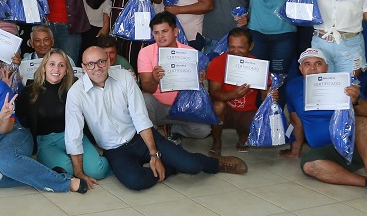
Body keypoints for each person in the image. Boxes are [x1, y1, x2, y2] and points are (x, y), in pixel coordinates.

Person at [66, 46, 247, 191]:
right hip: (114, 149)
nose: (96, 68)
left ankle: (215, 163)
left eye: (100, 62)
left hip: (140, 137)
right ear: (83, 67)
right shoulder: (76, 93)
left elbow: (140, 116)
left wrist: (154, 153)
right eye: (90, 64)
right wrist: (79, 172)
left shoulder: (123, 77)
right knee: (136, 182)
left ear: (107, 61)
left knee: (191, 165)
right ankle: (172, 167)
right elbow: (73, 134)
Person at [0, 43, 90, 193]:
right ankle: (49, 175)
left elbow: (4, 130)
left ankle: (64, 183)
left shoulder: (0, 88)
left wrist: (3, 117)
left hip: (12, 135)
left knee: (7, 163)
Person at [281, 48, 367, 207]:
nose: (313, 68)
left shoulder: (342, 82)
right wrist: (295, 151)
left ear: (326, 67)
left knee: (362, 121)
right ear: (300, 69)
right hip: (327, 152)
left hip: (358, 148)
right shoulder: (293, 87)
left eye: (318, 63)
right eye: (307, 64)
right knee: (309, 166)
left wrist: (356, 101)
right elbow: (296, 121)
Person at [17, 49, 111, 179]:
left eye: (61, 65)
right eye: (52, 64)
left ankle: (111, 158)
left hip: (74, 136)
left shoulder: (75, 87)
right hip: (46, 142)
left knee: (97, 172)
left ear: (66, 70)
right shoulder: (30, 89)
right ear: (44, 67)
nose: (56, 69)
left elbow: (99, 81)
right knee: (67, 170)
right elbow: (20, 116)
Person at [136, 12, 212, 140]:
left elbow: (197, 88)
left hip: (183, 107)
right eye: (156, 33)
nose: (160, 36)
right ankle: (153, 137)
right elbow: (147, 88)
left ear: (175, 31)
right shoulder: (145, 53)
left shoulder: (190, 53)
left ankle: (174, 128)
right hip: (158, 107)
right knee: (144, 99)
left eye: (165, 31)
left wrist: (198, 79)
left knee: (203, 130)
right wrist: (154, 80)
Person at [205, 28, 264, 155]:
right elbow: (213, 93)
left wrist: (270, 100)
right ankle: (216, 141)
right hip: (226, 110)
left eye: (241, 47)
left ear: (251, 46)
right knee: (218, 106)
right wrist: (234, 94)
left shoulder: (258, 65)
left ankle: (243, 137)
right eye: (232, 47)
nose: (236, 51)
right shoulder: (218, 62)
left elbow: (265, 93)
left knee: (262, 118)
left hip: (248, 111)